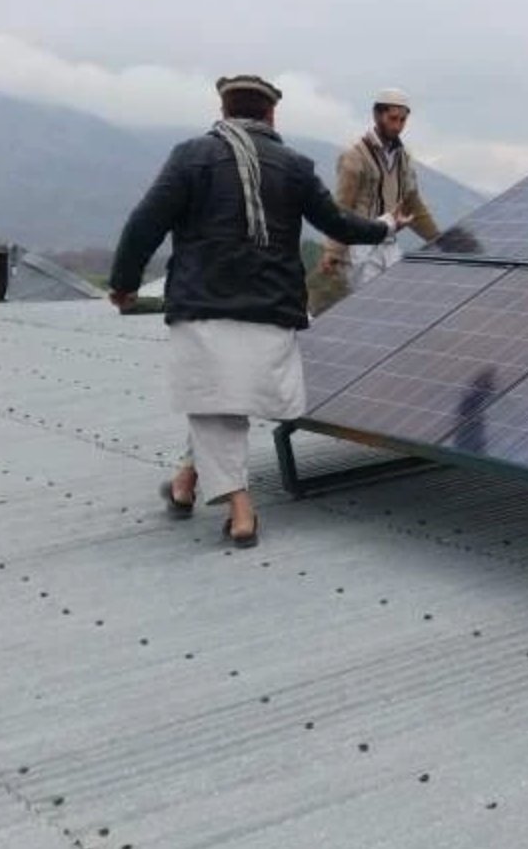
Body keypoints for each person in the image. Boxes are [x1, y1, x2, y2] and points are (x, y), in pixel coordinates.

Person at [109, 75, 404, 548]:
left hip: (204, 303)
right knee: (223, 399)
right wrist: (386, 226)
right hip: (272, 307)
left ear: (223, 111)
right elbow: (338, 224)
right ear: (271, 115)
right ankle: (186, 484)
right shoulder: (293, 165)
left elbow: (145, 223)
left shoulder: (191, 156)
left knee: (215, 403)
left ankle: (241, 509)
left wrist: (124, 284)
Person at [313, 88, 444, 306]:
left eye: (403, 120)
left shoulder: (404, 158)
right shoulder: (355, 156)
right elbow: (341, 207)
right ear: (377, 115)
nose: (398, 126)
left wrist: (438, 239)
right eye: (393, 118)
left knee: (396, 305)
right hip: (361, 246)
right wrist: (333, 252)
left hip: (390, 243)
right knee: (370, 306)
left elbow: (413, 204)